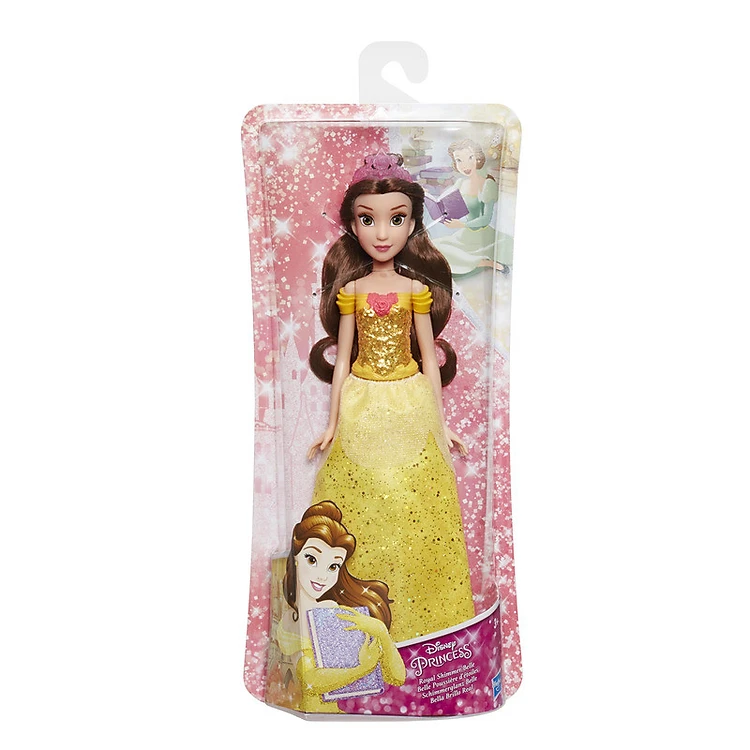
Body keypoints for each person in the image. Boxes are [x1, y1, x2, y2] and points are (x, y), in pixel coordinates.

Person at [307, 153, 475, 643]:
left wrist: (441, 423)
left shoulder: (415, 289)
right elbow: (342, 360)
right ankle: (351, 627)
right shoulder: (353, 291)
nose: (382, 233)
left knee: (417, 502)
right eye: (368, 220)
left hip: (410, 401)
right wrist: (332, 423)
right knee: (357, 501)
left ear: (413, 223)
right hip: (361, 402)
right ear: (352, 225)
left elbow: (429, 358)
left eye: (396, 219)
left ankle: (426, 624)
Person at [276, 502, 405, 714]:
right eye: (312, 559)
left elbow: (398, 677)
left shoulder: (333, 612)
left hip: (339, 717)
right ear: (296, 556)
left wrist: (381, 632)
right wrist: (362, 669)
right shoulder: (290, 619)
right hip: (306, 718)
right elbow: (309, 680)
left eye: (333, 566)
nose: (322, 576)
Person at [432, 139, 513, 275]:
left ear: (478, 158)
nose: (465, 165)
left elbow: (486, 219)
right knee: (433, 246)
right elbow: (444, 202)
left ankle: (487, 263)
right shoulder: (460, 183)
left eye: (470, 158)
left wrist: (462, 224)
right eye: (459, 160)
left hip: (482, 235)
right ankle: (477, 262)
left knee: (449, 253)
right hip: (465, 235)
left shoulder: (487, 184)